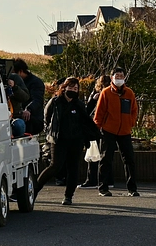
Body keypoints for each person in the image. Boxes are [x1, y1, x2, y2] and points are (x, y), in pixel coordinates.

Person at [35, 77, 100, 205]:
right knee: (55, 166)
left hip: (76, 140)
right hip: (59, 139)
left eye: (75, 88)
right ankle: (35, 189)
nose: (73, 90)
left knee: (73, 167)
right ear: (64, 88)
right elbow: (47, 117)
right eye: (70, 87)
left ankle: (68, 196)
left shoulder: (79, 104)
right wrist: (51, 131)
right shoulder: (55, 102)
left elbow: (85, 120)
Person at [94, 67, 140, 197]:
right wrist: (97, 127)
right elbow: (99, 112)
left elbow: (134, 110)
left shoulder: (129, 93)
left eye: (121, 76)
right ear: (112, 78)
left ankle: (132, 188)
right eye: (117, 76)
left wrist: (131, 123)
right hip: (108, 130)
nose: (119, 78)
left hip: (125, 131)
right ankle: (103, 188)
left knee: (129, 159)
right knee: (106, 159)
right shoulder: (106, 92)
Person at [80, 75, 109, 189]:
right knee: (104, 155)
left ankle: (92, 180)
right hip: (104, 128)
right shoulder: (110, 95)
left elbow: (87, 111)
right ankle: (105, 180)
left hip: (96, 128)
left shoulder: (98, 95)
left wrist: (93, 100)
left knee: (94, 155)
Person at [13, 58, 45, 135]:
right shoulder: (16, 82)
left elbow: (37, 100)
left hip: (32, 120)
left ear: (20, 71)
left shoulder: (36, 83)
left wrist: (28, 109)